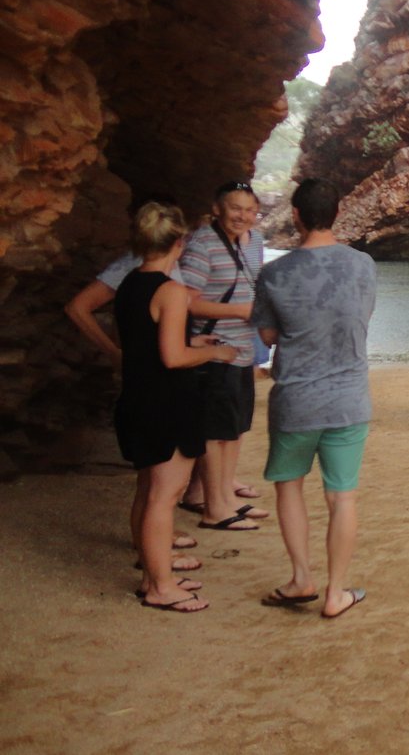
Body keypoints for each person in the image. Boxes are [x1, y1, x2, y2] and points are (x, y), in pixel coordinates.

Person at [252, 178, 377, 619]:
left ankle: (301, 577)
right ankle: (336, 592)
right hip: (348, 399)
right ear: (337, 214)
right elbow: (360, 317)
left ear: (298, 216)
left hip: (296, 400)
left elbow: (266, 335)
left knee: (290, 487)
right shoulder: (363, 265)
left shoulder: (273, 273)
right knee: (342, 496)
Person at [64, 195, 202, 568]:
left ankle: (154, 546)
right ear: (178, 240)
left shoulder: (137, 280)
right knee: (161, 488)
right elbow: (79, 307)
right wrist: (116, 353)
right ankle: (156, 568)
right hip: (159, 390)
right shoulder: (139, 274)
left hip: (145, 388)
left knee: (151, 483)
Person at [114, 201, 237, 612]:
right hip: (166, 404)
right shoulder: (170, 291)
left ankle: (154, 573)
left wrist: (193, 343)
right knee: (164, 497)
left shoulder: (131, 283)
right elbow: (172, 358)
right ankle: (160, 588)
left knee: (148, 490)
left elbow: (148, 344)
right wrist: (213, 354)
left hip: (137, 398)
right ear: (180, 243)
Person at [179, 180, 269, 531]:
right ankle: (213, 506)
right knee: (215, 432)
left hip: (243, 349)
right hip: (215, 350)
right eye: (235, 209)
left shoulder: (254, 241)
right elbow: (185, 300)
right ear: (217, 209)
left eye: (249, 211)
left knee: (234, 428)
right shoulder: (203, 243)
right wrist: (240, 312)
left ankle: (226, 498)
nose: (242, 217)